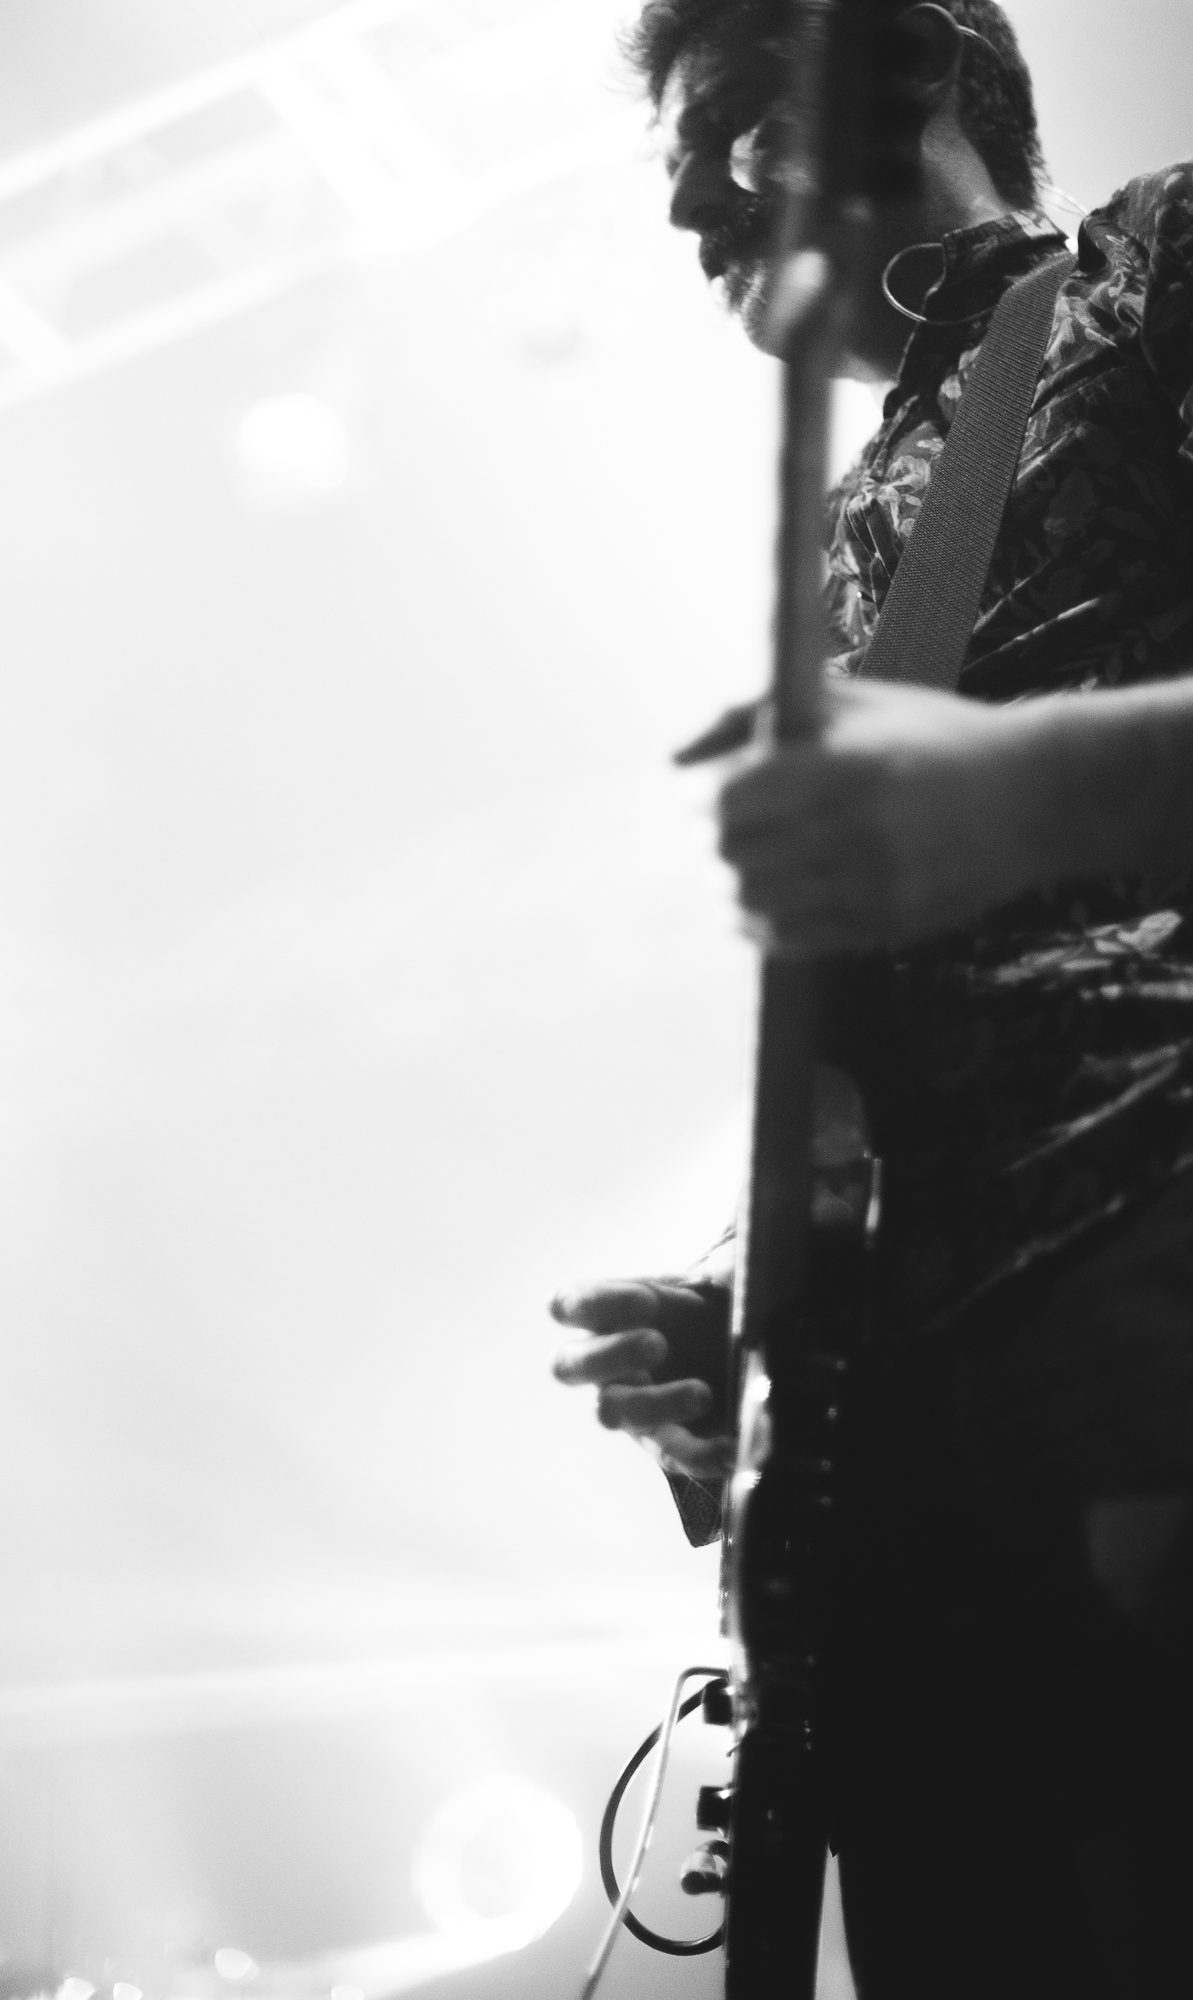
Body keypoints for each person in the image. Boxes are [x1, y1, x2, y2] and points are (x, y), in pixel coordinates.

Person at [551, 4, 1193, 1993]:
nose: (684, 202)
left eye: (728, 125)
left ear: (917, 68)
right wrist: (774, 1307)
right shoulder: (860, 537)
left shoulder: (1156, 273)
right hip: (930, 1502)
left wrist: (1031, 786)